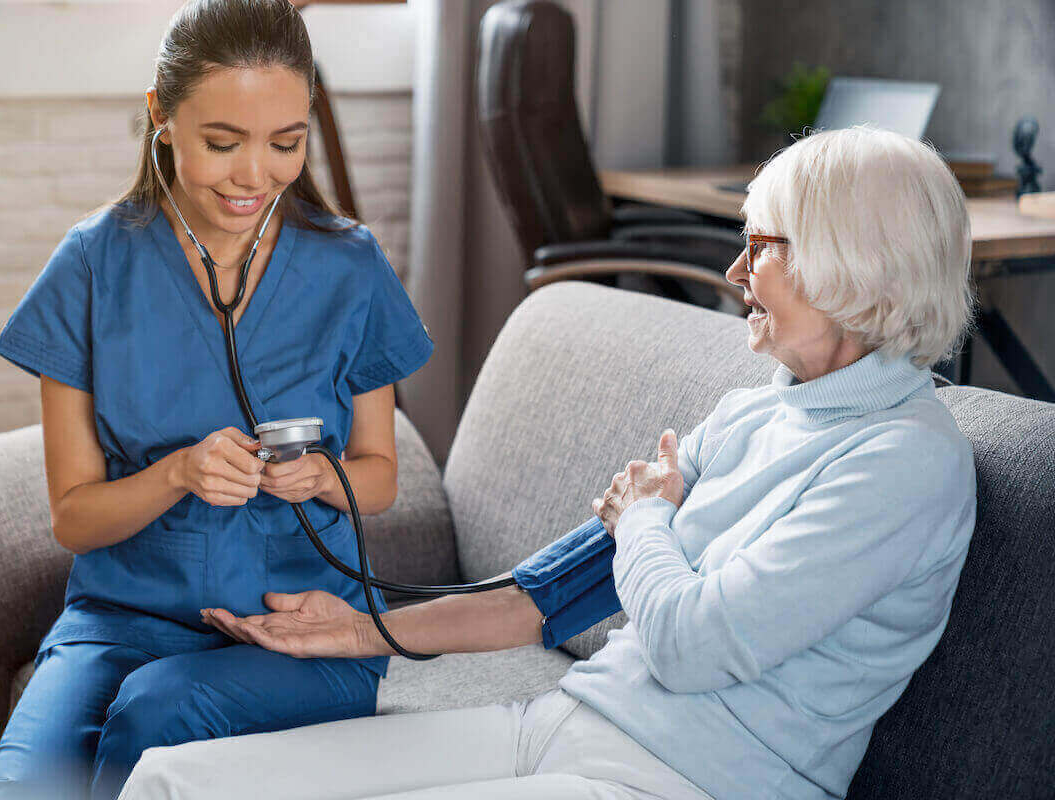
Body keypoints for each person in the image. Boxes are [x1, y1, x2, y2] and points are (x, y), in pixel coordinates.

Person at [119, 126, 979, 800]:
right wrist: (351, 629)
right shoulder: (760, 407)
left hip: (682, 782)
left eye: (761, 246)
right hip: (563, 720)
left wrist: (644, 518)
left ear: (850, 263)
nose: (733, 270)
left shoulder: (904, 465)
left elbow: (690, 643)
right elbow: (551, 594)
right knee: (172, 781)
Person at [0, 1, 433, 797]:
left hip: (306, 627)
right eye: (223, 144)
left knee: (157, 712)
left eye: (285, 143)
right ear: (161, 117)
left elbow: (382, 475)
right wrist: (177, 474)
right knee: (19, 785)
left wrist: (325, 477)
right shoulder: (91, 266)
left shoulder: (351, 269)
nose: (254, 175)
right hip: (120, 620)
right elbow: (73, 516)